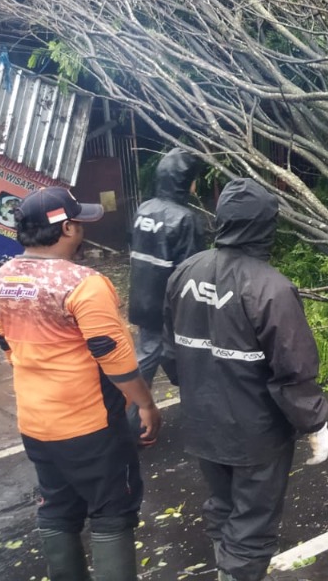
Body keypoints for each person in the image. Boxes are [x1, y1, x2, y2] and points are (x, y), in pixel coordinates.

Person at [0, 186, 161, 581]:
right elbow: (113, 357)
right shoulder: (84, 284)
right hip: (90, 426)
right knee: (113, 512)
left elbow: (7, 347)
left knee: (57, 509)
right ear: (66, 228)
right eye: (78, 222)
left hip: (35, 424)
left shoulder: (0, 280)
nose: (82, 228)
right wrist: (146, 404)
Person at [163, 179, 328, 581]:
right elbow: (292, 370)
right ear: (265, 225)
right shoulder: (270, 287)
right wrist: (316, 424)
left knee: (223, 510)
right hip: (255, 434)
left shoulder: (186, 271)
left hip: (202, 424)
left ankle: (228, 569)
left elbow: (172, 355)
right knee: (253, 528)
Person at [127, 148, 206, 440]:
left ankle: (130, 423)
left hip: (143, 298)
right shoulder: (186, 218)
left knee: (152, 358)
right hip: (170, 307)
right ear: (186, 182)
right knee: (188, 361)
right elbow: (192, 269)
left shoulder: (143, 209)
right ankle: (202, 422)